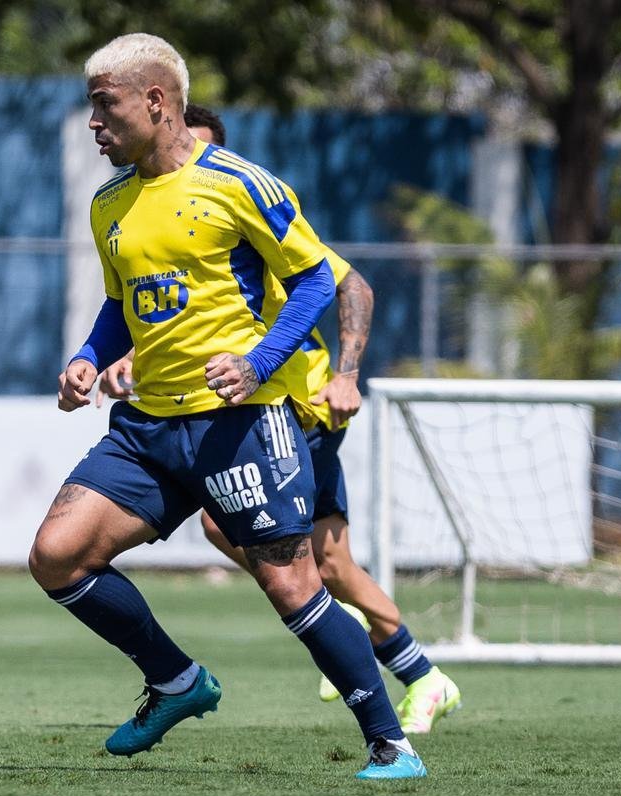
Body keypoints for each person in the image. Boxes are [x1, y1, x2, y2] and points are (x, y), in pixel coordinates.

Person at [27, 33, 426, 780]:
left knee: (292, 583)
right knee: (56, 556)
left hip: (240, 424)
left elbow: (315, 280)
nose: (93, 124)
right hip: (147, 428)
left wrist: (258, 362)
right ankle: (177, 680)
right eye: (91, 109)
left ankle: (390, 742)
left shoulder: (242, 184)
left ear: (156, 102)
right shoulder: (109, 202)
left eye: (103, 106)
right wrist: (86, 357)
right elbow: (120, 305)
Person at [98, 105, 461, 735]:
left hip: (302, 404)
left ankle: (420, 675)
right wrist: (116, 359)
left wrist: (346, 375)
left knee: (322, 561)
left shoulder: (247, 206)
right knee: (252, 536)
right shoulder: (168, 220)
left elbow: (350, 285)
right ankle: (395, 659)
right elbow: (174, 317)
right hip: (246, 408)